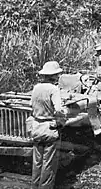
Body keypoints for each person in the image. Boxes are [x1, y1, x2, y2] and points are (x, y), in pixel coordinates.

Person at [30, 61, 67, 189]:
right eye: (57, 75)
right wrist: (62, 120)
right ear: (54, 76)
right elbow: (58, 110)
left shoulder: (36, 87)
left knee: (37, 163)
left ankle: (34, 186)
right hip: (49, 129)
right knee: (49, 164)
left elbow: (31, 106)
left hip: (36, 128)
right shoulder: (54, 89)